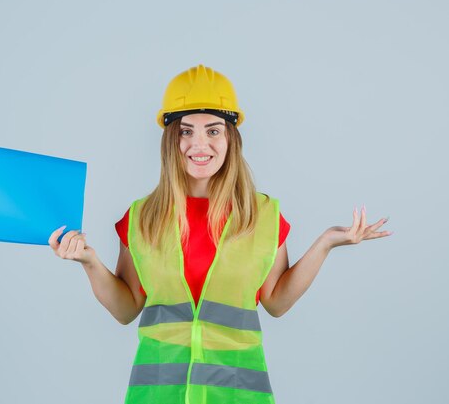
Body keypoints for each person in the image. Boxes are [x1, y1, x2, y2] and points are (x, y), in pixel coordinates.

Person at [48, 64, 392, 404]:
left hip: (236, 396)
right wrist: (89, 261)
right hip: (157, 397)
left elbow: (277, 302)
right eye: (186, 131)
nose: (199, 144)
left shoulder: (263, 216)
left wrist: (327, 243)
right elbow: (126, 309)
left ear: (230, 139)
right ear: (171, 140)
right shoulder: (142, 217)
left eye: (213, 131)